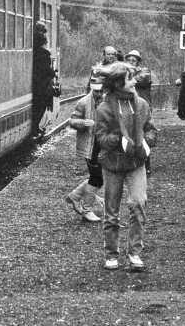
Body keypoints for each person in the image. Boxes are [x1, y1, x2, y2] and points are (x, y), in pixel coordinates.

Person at [93, 63, 157, 271]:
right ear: (119, 83)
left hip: (136, 162)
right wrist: (121, 140)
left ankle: (134, 253)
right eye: (130, 79)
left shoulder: (142, 105)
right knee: (111, 211)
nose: (135, 82)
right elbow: (101, 138)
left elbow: (151, 130)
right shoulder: (104, 108)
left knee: (139, 203)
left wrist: (145, 143)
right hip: (112, 164)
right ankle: (111, 254)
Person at [64, 83, 104, 224]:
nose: (100, 94)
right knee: (97, 177)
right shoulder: (84, 102)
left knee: (100, 176)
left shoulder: (108, 100)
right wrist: (83, 122)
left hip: (104, 144)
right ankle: (87, 210)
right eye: (97, 91)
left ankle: (75, 196)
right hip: (90, 146)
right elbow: (72, 121)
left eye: (102, 91)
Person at [30, 22, 57, 140]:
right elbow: (46, 69)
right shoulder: (43, 54)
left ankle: (35, 127)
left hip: (36, 83)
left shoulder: (34, 49)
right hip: (42, 85)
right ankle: (35, 127)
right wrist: (53, 72)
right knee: (42, 105)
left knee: (38, 106)